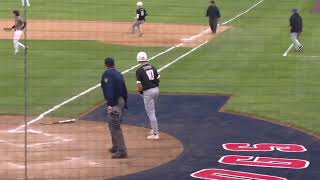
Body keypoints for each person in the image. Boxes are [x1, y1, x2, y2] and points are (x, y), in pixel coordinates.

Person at [101, 57, 128, 159]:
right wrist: (125, 102)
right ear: (113, 64)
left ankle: (122, 151)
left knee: (115, 126)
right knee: (112, 123)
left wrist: (110, 104)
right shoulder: (118, 73)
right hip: (121, 101)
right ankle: (115, 146)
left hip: (115, 103)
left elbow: (109, 89)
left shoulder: (107, 74)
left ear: (105, 65)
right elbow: (124, 89)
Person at [135, 52, 160, 140]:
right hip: (156, 90)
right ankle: (154, 129)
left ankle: (156, 133)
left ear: (138, 60)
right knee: (152, 110)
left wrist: (141, 92)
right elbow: (158, 79)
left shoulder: (139, 71)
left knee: (151, 112)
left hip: (148, 92)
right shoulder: (153, 67)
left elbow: (139, 85)